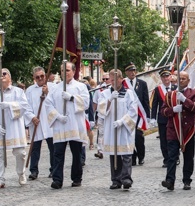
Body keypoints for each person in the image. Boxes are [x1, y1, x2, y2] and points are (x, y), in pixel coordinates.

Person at [44, 61, 90, 189]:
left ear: (74, 71)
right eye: (63, 71)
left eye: (67, 70)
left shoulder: (80, 87)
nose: (65, 73)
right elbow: (48, 104)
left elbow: (86, 103)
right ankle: (57, 179)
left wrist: (72, 98)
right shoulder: (55, 88)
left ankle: (76, 177)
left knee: (76, 153)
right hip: (61, 125)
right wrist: (57, 116)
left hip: (75, 124)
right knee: (58, 153)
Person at [0, 68, 31, 189]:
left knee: (20, 153)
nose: (2, 76)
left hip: (15, 128)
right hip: (0, 129)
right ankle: (0, 179)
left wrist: (9, 105)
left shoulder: (18, 92)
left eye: (4, 74)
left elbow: (24, 107)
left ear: (9, 77)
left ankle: (21, 173)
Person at [160, 71, 195, 191]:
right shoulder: (169, 95)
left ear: (188, 81)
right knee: (172, 156)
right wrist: (173, 109)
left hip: (187, 130)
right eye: (180, 78)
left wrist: (184, 100)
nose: (181, 80)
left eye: (184, 79)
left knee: (188, 157)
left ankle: (187, 180)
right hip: (173, 130)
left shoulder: (194, 93)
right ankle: (170, 181)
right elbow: (163, 111)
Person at [98, 69, 138, 190]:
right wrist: (110, 100)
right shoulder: (105, 93)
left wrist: (122, 121)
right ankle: (116, 179)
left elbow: (133, 110)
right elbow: (101, 110)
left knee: (126, 154)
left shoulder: (128, 93)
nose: (113, 82)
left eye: (116, 79)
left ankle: (126, 178)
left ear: (121, 79)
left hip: (124, 126)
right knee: (114, 154)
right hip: (112, 126)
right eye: (111, 80)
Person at [25, 66, 55, 180]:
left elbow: (55, 103)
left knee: (53, 148)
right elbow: (25, 106)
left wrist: (47, 93)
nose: (40, 78)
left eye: (42, 76)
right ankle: (33, 171)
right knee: (35, 148)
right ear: (34, 78)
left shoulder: (52, 87)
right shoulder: (29, 90)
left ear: (45, 76)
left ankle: (54, 169)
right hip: (36, 123)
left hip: (49, 123)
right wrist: (32, 117)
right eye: (37, 77)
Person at [124, 62, 151, 166]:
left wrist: (147, 116)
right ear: (126, 72)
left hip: (140, 115)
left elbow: (146, 101)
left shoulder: (142, 83)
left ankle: (141, 156)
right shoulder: (123, 83)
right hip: (128, 115)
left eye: (134, 71)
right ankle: (133, 157)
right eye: (130, 71)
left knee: (139, 137)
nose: (133, 73)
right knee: (129, 137)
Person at [151, 69, 177, 168]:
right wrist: (152, 118)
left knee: (174, 139)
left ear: (170, 77)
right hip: (162, 118)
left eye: (167, 76)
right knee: (164, 140)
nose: (166, 78)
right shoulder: (158, 89)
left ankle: (175, 157)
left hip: (174, 117)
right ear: (161, 78)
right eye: (164, 77)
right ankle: (166, 159)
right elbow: (154, 105)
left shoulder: (175, 88)